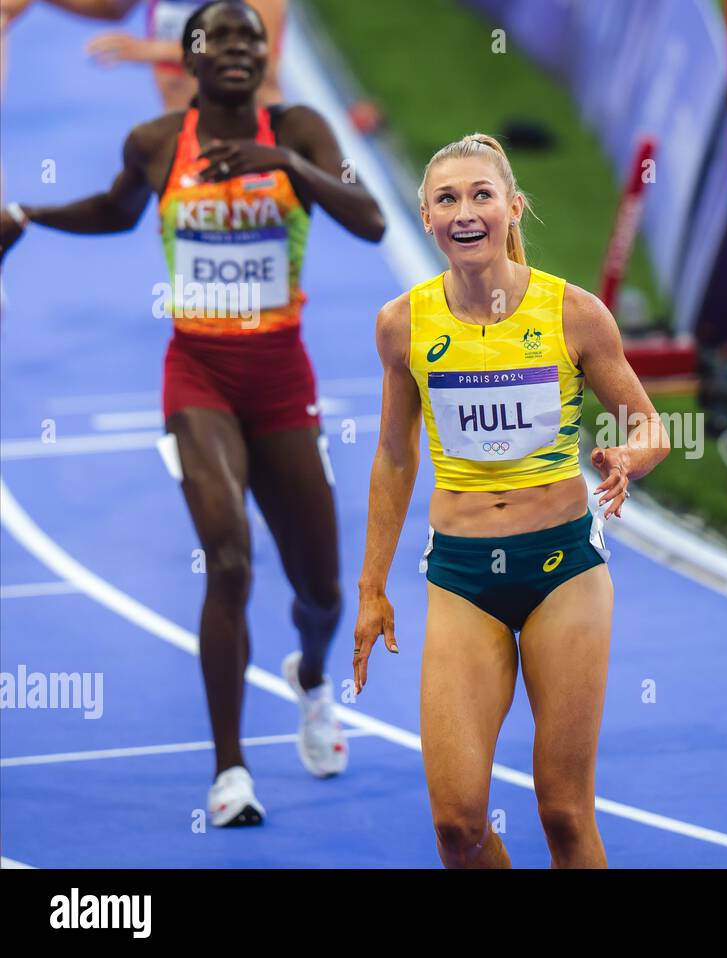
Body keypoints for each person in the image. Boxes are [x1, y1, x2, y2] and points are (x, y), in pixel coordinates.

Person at [0, 0, 385, 826]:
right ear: (191, 58)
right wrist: (28, 216)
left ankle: (312, 681)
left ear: (266, 51)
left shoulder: (302, 128)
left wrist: (282, 163)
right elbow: (115, 210)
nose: (242, 48)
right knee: (231, 560)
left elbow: (372, 219)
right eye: (223, 37)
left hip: (283, 381)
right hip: (198, 374)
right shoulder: (154, 143)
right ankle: (231, 773)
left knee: (321, 589)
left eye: (253, 35)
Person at [351, 133, 670, 868]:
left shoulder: (574, 314)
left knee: (562, 811)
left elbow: (653, 423)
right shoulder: (402, 324)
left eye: (481, 195)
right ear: (426, 217)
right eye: (447, 199)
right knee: (457, 825)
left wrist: (629, 457)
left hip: (562, 570)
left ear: (512, 208)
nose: (465, 212)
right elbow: (395, 455)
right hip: (462, 578)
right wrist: (372, 587)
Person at [39, 0, 287, 109]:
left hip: (251, 138)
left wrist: (153, 49)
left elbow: (253, 47)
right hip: (185, 139)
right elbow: (109, 6)